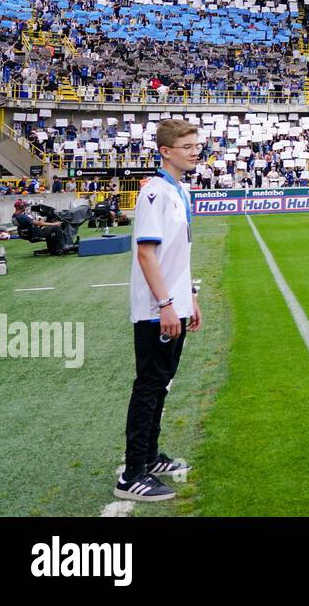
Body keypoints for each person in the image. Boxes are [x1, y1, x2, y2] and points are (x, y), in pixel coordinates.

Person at [115, 119, 204, 502]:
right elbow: (146, 254)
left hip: (174, 303)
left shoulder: (179, 191)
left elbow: (175, 257)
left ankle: (150, 457)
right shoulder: (154, 192)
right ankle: (132, 473)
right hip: (157, 309)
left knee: (161, 385)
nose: (195, 151)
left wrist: (189, 298)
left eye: (197, 145)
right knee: (149, 386)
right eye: (187, 146)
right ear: (165, 151)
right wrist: (167, 304)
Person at [11, 199, 77, 255]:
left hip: (27, 233)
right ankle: (62, 246)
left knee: (48, 229)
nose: (26, 207)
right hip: (35, 233)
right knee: (56, 227)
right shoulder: (22, 216)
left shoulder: (14, 216)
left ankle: (52, 248)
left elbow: (30, 223)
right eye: (24, 206)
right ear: (21, 207)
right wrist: (54, 224)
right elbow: (39, 223)